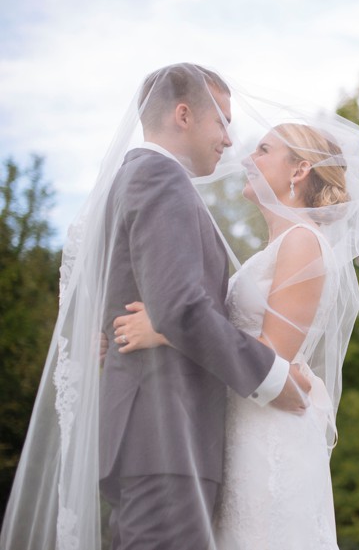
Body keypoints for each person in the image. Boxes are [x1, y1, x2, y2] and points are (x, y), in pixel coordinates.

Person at [0, 63, 311, 550]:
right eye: (222, 122)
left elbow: (114, 304)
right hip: (166, 432)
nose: (231, 140)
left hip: (154, 435)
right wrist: (274, 379)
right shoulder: (160, 178)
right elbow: (182, 308)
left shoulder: (128, 179)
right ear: (184, 115)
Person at [111, 119, 359, 549]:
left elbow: (272, 357)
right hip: (244, 423)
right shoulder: (275, 249)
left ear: (299, 169)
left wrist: (167, 331)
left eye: (264, 150)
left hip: (270, 433)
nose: (247, 159)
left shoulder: (303, 242)